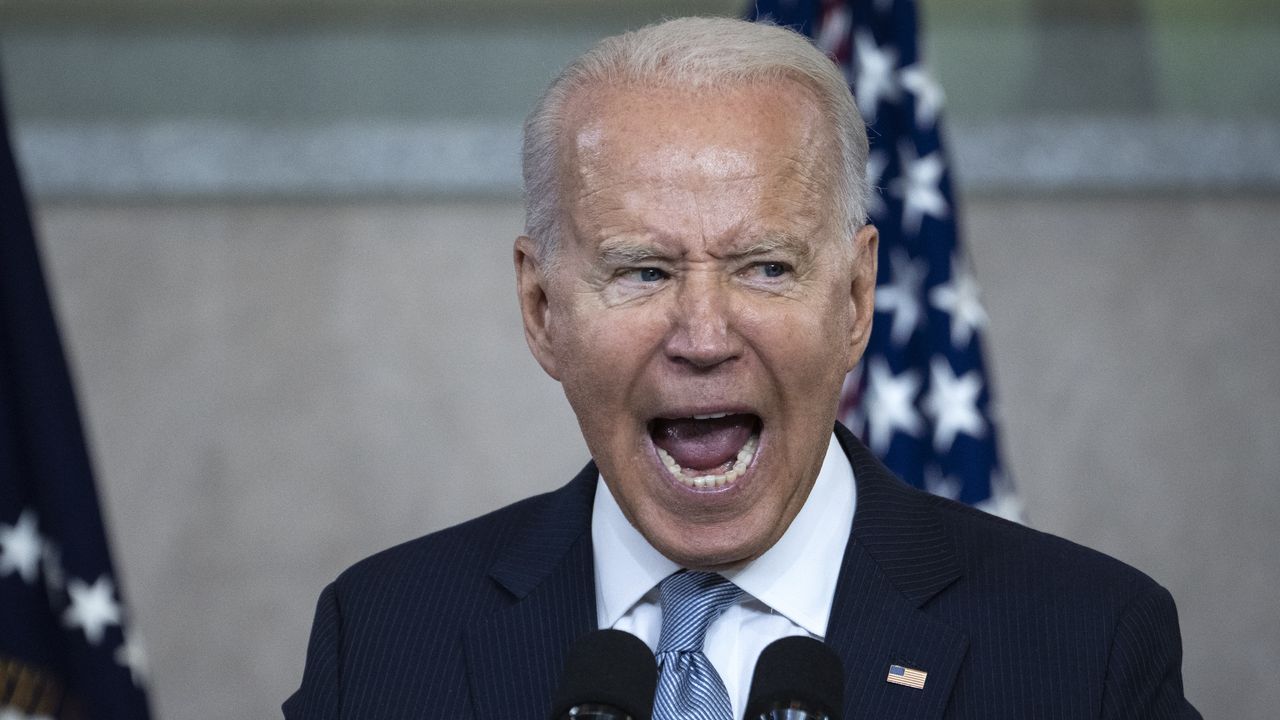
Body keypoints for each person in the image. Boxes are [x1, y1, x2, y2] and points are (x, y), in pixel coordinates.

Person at [284, 17, 1199, 719]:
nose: (704, 335)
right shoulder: (381, 643)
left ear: (852, 299)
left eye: (765, 267)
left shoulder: (1087, 649)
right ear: (542, 309)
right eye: (642, 270)